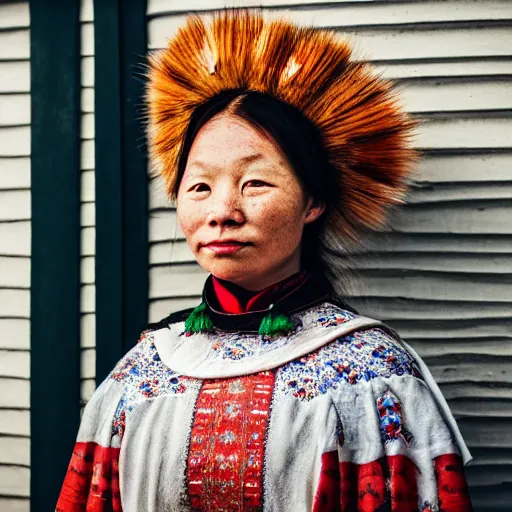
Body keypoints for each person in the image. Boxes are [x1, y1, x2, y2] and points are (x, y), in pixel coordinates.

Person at [56, 9, 473, 511]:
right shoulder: (142, 369)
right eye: (200, 186)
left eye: (254, 183)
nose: (222, 213)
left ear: (312, 201)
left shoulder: (373, 375)